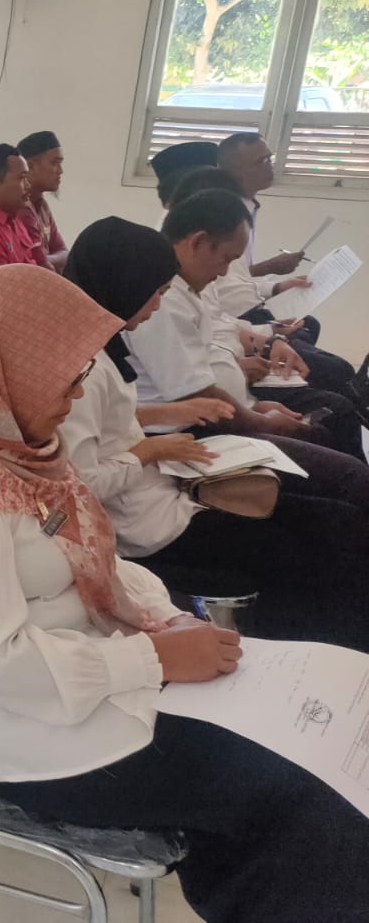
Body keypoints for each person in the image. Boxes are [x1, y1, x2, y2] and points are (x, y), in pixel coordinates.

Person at [0, 262, 368, 923]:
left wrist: (157, 618)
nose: (75, 400)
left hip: (91, 683)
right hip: (27, 737)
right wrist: (155, 661)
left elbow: (95, 552)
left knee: (327, 753)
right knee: (319, 800)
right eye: (62, 380)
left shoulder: (11, 441)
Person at [62, 216, 369, 648]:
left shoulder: (104, 349)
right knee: (325, 540)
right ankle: (331, 649)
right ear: (121, 286)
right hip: (153, 528)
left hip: (172, 489)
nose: (155, 306)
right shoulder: (80, 369)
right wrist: (151, 450)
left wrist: (171, 413)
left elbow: (111, 423)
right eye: (153, 294)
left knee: (337, 520)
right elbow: (82, 481)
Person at [127, 190, 364, 462]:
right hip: (197, 430)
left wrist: (256, 402)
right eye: (226, 258)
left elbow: (217, 339)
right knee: (346, 469)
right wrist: (260, 421)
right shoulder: (165, 301)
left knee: (335, 425)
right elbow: (194, 395)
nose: (225, 271)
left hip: (229, 413)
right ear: (199, 242)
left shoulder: (189, 286)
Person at [167, 167, 363, 420]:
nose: (224, 270)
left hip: (238, 391)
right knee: (335, 397)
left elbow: (220, 322)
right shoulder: (169, 292)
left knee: (332, 393)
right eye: (260, 162)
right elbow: (188, 387)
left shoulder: (197, 273)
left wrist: (270, 339)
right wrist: (264, 420)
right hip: (223, 413)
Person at [214, 132, 313, 338]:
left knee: (308, 326)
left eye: (270, 158)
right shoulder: (225, 213)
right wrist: (273, 282)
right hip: (230, 314)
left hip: (245, 305)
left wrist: (280, 285)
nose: (269, 166)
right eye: (261, 161)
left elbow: (238, 275)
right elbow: (224, 282)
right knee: (309, 339)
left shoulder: (247, 206)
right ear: (233, 172)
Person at [16, 130, 68, 270]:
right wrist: (45, 260)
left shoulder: (42, 205)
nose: (60, 170)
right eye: (54, 163)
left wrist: (46, 259)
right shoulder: (19, 209)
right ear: (30, 167)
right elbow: (37, 267)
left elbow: (65, 253)